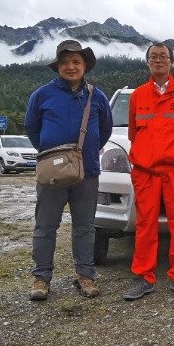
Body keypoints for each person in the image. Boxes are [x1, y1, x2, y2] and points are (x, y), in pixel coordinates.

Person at [23, 39, 112, 301]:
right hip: (51, 172)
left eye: (76, 62)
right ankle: (41, 278)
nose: (70, 67)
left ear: (84, 65)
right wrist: (52, 154)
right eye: (65, 62)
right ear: (58, 66)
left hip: (88, 171)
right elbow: (31, 128)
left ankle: (85, 275)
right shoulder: (42, 95)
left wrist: (87, 150)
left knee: (85, 227)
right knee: (45, 225)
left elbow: (105, 130)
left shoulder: (97, 96)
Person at [123, 42, 174, 301]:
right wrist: (146, 156)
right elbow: (133, 134)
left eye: (163, 56)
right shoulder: (138, 95)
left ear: (171, 62)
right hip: (145, 171)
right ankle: (143, 277)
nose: (158, 60)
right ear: (147, 62)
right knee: (145, 224)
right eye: (153, 56)